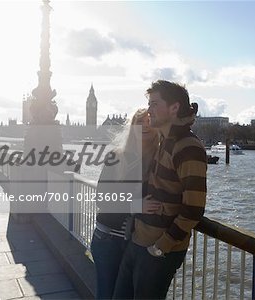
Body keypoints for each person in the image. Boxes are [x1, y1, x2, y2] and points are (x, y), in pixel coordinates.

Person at [113, 80, 207, 299]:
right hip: (139, 241)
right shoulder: (166, 141)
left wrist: (160, 247)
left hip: (156, 250)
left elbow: (193, 208)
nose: (149, 110)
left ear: (174, 108)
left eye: (154, 104)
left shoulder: (188, 147)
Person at [90, 108, 160, 299]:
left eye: (149, 121)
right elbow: (101, 198)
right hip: (109, 240)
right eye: (139, 122)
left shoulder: (159, 160)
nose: (145, 126)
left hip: (136, 243)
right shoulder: (117, 156)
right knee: (107, 294)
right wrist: (135, 205)